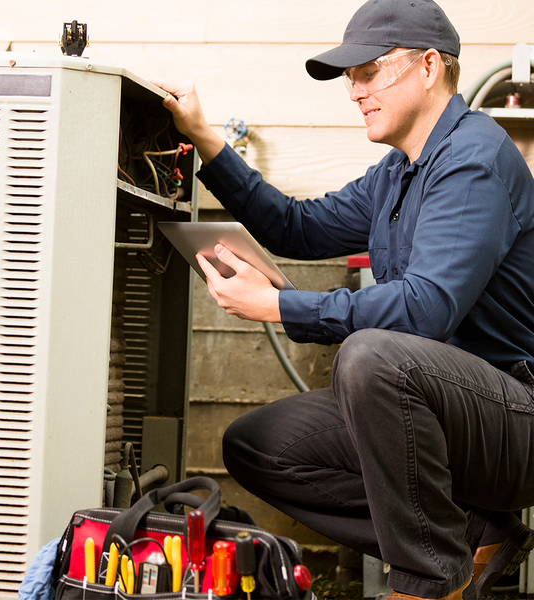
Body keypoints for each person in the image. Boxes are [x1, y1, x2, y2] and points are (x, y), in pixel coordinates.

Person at [152, 0, 534, 599]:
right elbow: (296, 228)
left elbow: (425, 310)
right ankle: (469, 533)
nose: (354, 90)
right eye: (349, 78)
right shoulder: (396, 172)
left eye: (368, 71)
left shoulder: (475, 161)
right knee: (259, 445)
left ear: (429, 66)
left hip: (512, 417)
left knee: (372, 358)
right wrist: (204, 138)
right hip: (435, 409)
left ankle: (427, 581)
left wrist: (282, 307)